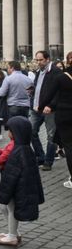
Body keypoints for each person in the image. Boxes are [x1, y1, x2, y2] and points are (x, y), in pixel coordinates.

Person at [0, 116, 45, 246]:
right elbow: (5, 154)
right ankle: (14, 231)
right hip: (15, 183)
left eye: (9, 130)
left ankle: (12, 236)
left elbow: (1, 160)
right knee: (4, 206)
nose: (8, 133)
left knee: (10, 207)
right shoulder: (20, 146)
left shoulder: (18, 149)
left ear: (16, 132)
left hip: (15, 185)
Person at [37, 51, 72, 187]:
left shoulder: (61, 77)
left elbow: (48, 95)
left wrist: (40, 106)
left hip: (64, 115)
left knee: (69, 146)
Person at [30, 50, 61, 170]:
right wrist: (32, 91)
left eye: (40, 60)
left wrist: (51, 105)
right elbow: (40, 88)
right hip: (36, 107)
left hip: (49, 109)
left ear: (47, 59)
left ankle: (48, 161)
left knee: (51, 135)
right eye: (36, 60)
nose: (38, 62)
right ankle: (40, 157)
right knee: (31, 132)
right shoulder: (39, 72)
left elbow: (58, 92)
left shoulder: (55, 72)